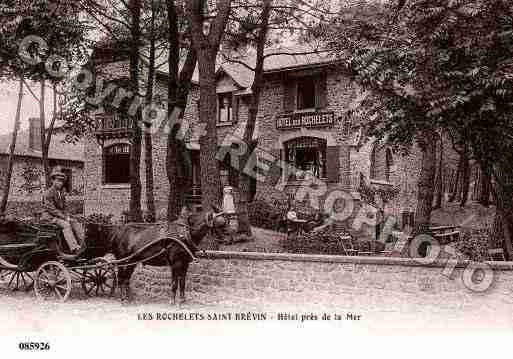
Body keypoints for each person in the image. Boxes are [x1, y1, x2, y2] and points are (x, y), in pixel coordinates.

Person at [41, 166, 84, 255]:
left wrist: (68, 216)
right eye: (58, 180)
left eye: (61, 181)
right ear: (53, 181)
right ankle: (74, 247)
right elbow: (51, 209)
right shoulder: (48, 193)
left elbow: (64, 207)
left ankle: (83, 243)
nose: (60, 183)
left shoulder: (61, 193)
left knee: (75, 221)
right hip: (50, 217)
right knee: (66, 225)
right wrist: (64, 217)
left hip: (59, 216)